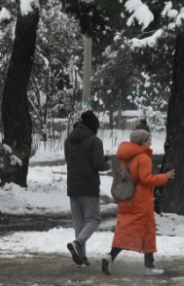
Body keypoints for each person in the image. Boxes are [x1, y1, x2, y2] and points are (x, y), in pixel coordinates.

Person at [102, 128, 175, 276]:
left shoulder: (126, 157)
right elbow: (146, 180)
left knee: (125, 232)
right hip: (141, 201)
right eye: (149, 139)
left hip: (127, 200)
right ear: (142, 142)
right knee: (148, 232)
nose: (151, 141)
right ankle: (149, 267)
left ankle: (110, 257)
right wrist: (165, 177)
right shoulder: (143, 158)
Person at [64, 110, 111, 266]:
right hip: (89, 186)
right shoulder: (94, 141)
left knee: (79, 223)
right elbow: (98, 164)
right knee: (93, 219)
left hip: (73, 186)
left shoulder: (68, 140)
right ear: (93, 127)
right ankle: (78, 244)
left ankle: (82, 257)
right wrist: (107, 163)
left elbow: (70, 160)